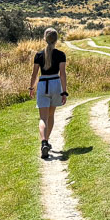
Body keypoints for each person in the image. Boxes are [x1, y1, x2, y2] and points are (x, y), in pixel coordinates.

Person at [30, 27, 67, 159]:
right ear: (56, 39)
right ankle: (47, 141)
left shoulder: (38, 55)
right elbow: (62, 74)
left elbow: (34, 74)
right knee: (51, 116)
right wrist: (64, 91)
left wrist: (31, 88)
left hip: (42, 84)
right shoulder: (61, 55)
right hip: (55, 84)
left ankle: (44, 141)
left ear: (45, 39)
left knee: (43, 118)